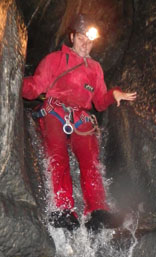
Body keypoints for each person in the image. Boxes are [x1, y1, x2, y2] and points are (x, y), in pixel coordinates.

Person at [22, 14, 136, 232]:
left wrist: (115, 94)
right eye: (82, 38)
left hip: (81, 117)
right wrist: (14, 79)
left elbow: (100, 103)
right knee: (58, 155)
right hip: (54, 111)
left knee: (90, 160)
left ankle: (97, 211)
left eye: (90, 39)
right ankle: (64, 209)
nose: (86, 43)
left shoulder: (95, 69)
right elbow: (35, 87)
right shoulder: (54, 60)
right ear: (72, 37)